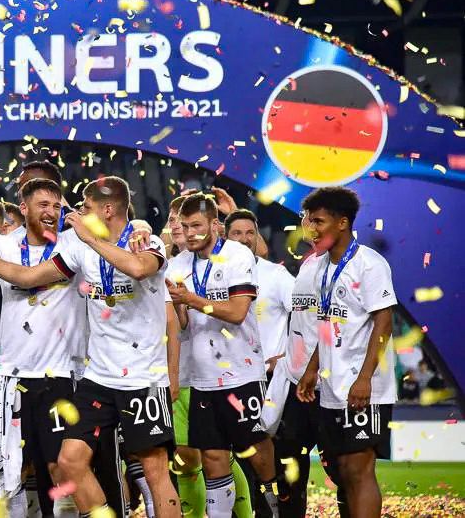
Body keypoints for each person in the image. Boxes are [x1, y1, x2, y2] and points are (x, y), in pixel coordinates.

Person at [0, 176, 182, 517]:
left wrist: (90, 237)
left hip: (143, 378)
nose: (76, 213)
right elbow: (28, 277)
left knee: (154, 469)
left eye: (86, 208)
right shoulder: (77, 249)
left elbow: (138, 268)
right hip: (98, 378)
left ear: (107, 210)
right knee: (70, 461)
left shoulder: (147, 242)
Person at [0, 160, 84, 518]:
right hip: (12, 378)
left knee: (60, 469)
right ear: (23, 208)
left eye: (56, 205)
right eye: (43, 205)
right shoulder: (7, 244)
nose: (51, 212)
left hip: (59, 376)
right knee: (12, 473)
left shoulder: (72, 245)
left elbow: (25, 277)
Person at [165, 193, 279, 518]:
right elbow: (183, 324)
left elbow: (238, 312)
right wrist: (180, 307)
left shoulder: (237, 255)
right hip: (201, 379)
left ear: (215, 224)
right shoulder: (178, 265)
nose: (189, 234)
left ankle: (274, 506)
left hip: (242, 375)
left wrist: (191, 298)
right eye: (185, 226)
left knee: (257, 454)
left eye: (196, 226)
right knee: (213, 458)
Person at [296, 187, 397, 518]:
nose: (311, 228)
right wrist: (312, 368)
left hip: (364, 385)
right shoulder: (321, 267)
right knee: (342, 469)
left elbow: (384, 322)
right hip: (332, 385)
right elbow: (327, 324)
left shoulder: (369, 264)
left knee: (358, 468)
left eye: (318, 221)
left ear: (342, 223)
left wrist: (365, 379)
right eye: (309, 221)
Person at [223, 209, 295, 516]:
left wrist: (288, 355)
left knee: (269, 456)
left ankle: (275, 511)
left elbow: (306, 314)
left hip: (268, 381)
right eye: (236, 233)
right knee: (227, 458)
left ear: (258, 238)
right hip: (222, 379)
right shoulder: (211, 272)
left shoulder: (275, 275)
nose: (243, 239)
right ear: (225, 237)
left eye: (249, 233)